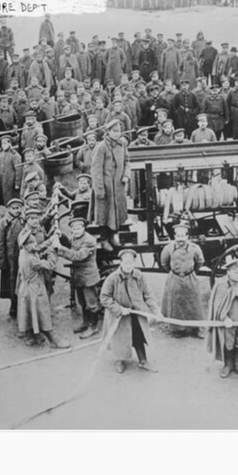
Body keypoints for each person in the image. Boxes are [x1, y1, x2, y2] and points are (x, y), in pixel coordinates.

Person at [100, 249, 163, 373]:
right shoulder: (112, 278)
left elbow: (148, 294)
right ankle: (120, 360)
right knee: (119, 338)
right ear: (121, 263)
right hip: (118, 316)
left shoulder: (139, 276)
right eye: (125, 263)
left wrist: (156, 312)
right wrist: (119, 309)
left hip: (137, 314)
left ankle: (143, 361)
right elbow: (104, 297)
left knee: (138, 335)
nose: (128, 266)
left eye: (131, 263)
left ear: (134, 263)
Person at [16, 229, 68, 349]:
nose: (34, 245)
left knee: (30, 312)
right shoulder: (32, 259)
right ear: (25, 245)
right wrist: (52, 251)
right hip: (35, 288)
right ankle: (53, 340)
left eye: (34, 242)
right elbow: (50, 265)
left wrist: (52, 238)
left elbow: (38, 248)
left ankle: (34, 336)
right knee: (43, 314)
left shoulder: (23, 252)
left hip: (25, 288)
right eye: (31, 243)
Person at [52, 216, 101, 339]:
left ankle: (93, 327)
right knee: (82, 302)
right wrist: (61, 236)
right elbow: (70, 243)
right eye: (74, 229)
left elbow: (78, 256)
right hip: (79, 276)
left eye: (79, 228)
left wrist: (59, 248)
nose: (77, 230)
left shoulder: (89, 241)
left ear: (84, 228)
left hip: (88, 277)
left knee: (91, 303)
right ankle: (86, 322)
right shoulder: (75, 237)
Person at [159, 223, 205, 338]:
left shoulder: (194, 249)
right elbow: (164, 263)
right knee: (176, 304)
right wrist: (175, 273)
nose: (180, 239)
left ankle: (197, 328)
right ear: (174, 237)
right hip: (175, 278)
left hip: (190, 278)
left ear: (187, 236)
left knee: (194, 303)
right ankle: (178, 329)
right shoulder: (168, 249)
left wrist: (191, 272)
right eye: (178, 236)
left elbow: (200, 262)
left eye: (183, 236)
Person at [91, 118, 130, 247]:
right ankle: (104, 239)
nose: (117, 134)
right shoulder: (101, 147)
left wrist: (126, 175)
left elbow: (127, 161)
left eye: (118, 131)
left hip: (118, 186)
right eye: (114, 131)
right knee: (104, 213)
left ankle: (113, 236)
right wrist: (99, 189)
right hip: (105, 186)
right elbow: (96, 170)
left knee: (116, 213)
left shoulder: (122, 143)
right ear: (108, 132)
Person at [0, 197, 25, 319]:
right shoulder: (4, 223)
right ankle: (14, 303)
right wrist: (2, 260)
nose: (17, 210)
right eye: (14, 208)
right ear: (9, 209)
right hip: (10, 258)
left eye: (19, 208)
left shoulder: (24, 220)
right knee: (12, 281)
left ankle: (24, 304)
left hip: (23, 255)